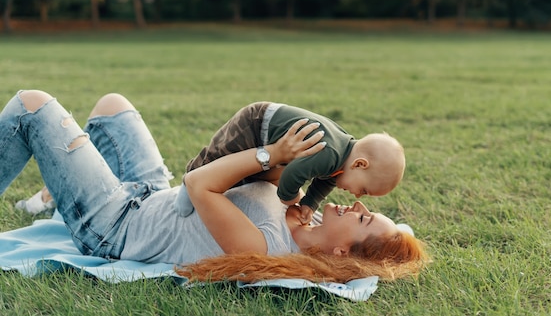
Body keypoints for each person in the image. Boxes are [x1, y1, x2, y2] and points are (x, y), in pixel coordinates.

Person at [0, 90, 427, 283]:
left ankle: (73, 199)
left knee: (31, 106)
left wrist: (273, 155)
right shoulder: (304, 212)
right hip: (154, 196)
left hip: (115, 227)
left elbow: (200, 183)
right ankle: (59, 191)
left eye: (364, 218)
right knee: (114, 105)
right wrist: (290, 167)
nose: (356, 205)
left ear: (340, 252)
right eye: (366, 206)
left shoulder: (265, 247)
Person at [177, 102, 406, 225]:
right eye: (364, 190)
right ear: (360, 164)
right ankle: (191, 178)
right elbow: (292, 175)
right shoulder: (328, 155)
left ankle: (222, 184)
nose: (358, 196)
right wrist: (289, 199)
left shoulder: (340, 162)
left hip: (270, 138)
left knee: (243, 172)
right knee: (222, 154)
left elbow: (323, 184)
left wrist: (309, 203)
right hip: (257, 124)